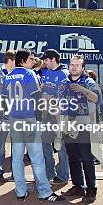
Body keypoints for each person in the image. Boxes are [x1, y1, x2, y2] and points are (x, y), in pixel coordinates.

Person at [4, 49, 64, 202]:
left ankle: (20, 191)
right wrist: (40, 118)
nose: (33, 61)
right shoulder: (29, 74)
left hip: (14, 119)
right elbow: (37, 98)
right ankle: (44, 191)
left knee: (16, 157)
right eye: (30, 59)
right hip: (29, 119)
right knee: (37, 157)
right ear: (22, 61)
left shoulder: (8, 76)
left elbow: (4, 101)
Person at [62, 54, 100, 202]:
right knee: (72, 158)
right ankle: (78, 186)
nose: (73, 67)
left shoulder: (89, 82)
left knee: (86, 158)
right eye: (72, 64)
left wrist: (81, 89)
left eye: (77, 65)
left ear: (83, 68)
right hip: (68, 125)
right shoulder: (64, 82)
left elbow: (95, 98)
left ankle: (91, 189)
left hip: (84, 126)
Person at [40, 49, 70, 184]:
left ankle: (63, 175)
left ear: (52, 59)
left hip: (60, 116)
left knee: (61, 146)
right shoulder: (47, 72)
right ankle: (49, 172)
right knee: (45, 142)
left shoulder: (64, 74)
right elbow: (45, 91)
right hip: (47, 115)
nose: (44, 62)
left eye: (46, 60)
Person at [0, 50, 16, 181]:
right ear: (11, 61)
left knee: (16, 144)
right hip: (3, 114)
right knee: (0, 143)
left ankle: (15, 172)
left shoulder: (18, 74)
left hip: (17, 114)